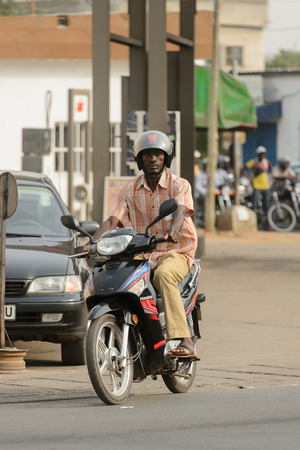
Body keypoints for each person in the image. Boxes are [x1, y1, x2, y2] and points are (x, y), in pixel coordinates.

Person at [92, 130, 198, 358]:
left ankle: (184, 338)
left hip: (176, 250)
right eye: (148, 154)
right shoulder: (128, 189)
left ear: (165, 158)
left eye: (158, 155)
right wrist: (93, 243)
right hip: (145, 252)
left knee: (164, 276)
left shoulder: (179, 185)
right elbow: (113, 220)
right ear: (140, 159)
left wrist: (173, 230)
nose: (153, 159)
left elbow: (180, 210)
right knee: (121, 279)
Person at [243, 145, 273, 230]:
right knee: (254, 206)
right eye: (261, 154)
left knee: (266, 206)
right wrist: (249, 179)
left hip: (266, 187)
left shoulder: (266, 162)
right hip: (256, 186)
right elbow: (243, 169)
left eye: (263, 154)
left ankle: (266, 225)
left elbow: (271, 171)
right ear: (257, 154)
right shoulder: (253, 162)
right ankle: (253, 224)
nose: (262, 155)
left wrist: (269, 179)